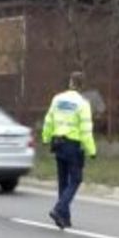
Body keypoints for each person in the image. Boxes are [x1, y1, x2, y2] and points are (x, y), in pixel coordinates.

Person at [42, 71, 97, 229]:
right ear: (82, 85)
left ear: (70, 82)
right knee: (76, 179)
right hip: (73, 145)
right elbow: (86, 130)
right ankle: (59, 209)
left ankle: (64, 218)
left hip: (58, 143)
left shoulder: (57, 99)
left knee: (63, 181)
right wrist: (91, 150)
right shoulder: (83, 104)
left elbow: (48, 120)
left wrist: (46, 138)